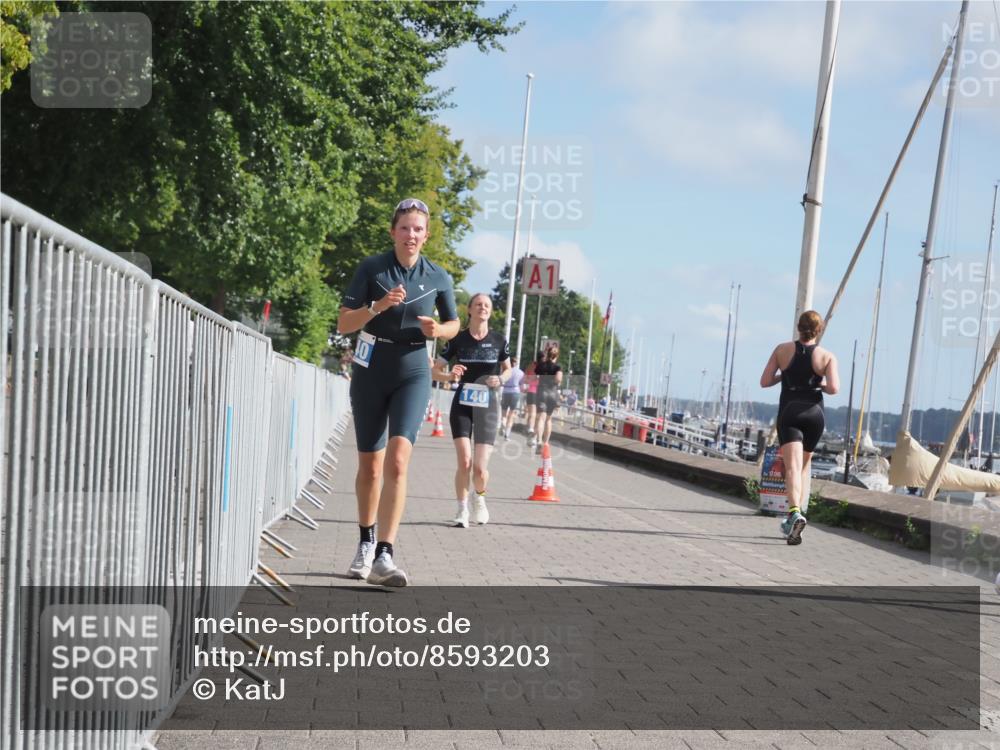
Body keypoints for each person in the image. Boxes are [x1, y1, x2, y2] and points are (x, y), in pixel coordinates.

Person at [337, 198, 460, 586]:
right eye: (405, 227)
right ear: (393, 232)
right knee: (371, 467)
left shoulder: (438, 276)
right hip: (371, 367)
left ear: (426, 235)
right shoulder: (373, 269)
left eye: (418, 229)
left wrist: (437, 331)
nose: (411, 235)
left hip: (413, 370)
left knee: (398, 463)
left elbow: (454, 323)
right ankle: (365, 540)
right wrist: (376, 306)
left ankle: (385, 555)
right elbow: (343, 323)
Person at [759, 310, 839, 546]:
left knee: (791, 468)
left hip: (790, 411)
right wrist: (819, 384)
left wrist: (784, 376)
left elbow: (764, 381)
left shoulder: (782, 350)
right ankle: (795, 517)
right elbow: (834, 388)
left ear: (798, 327)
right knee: (803, 468)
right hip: (815, 414)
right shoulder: (827, 357)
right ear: (819, 330)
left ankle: (793, 513)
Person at [432, 293, 511, 528]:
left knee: (479, 468)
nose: (482, 308)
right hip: (463, 404)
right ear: (469, 310)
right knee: (465, 462)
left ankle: (480, 497)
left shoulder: (499, 340)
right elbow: (435, 370)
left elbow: (508, 370)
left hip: (488, 405)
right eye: (478, 304)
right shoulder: (458, 339)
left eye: (486, 305)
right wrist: (450, 375)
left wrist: (501, 378)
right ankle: (462, 509)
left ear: (491, 311)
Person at [532, 343, 564, 450]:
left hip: (541, 392)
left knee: (541, 418)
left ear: (548, 354)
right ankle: (546, 443)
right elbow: (558, 379)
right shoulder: (558, 367)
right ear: (557, 356)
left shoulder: (541, 365)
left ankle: (538, 441)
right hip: (552, 392)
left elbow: (535, 375)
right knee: (548, 420)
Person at [501, 355, 524, 440]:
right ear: (516, 363)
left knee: (504, 412)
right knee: (511, 414)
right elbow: (522, 384)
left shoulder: (505, 371)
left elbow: (502, 381)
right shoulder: (520, 372)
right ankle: (507, 434)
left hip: (505, 391)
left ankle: (503, 422)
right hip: (515, 392)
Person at [522, 353, 540, 441]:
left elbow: (524, 379)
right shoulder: (543, 367)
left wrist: (528, 382)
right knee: (536, 414)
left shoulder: (530, 366)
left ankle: (529, 429)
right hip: (538, 392)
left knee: (531, 413)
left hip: (530, 391)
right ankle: (532, 431)